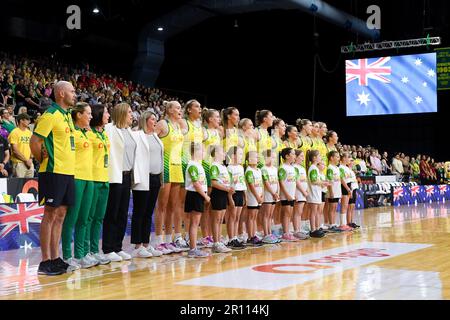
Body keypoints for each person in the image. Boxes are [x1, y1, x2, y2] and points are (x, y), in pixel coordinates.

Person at [30, 81, 77, 276]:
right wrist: (42, 160)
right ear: (60, 93)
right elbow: (35, 141)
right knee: (50, 214)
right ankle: (45, 262)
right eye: (72, 91)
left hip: (68, 172)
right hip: (53, 172)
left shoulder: (67, 116)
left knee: (61, 215)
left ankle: (56, 258)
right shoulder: (50, 115)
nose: (75, 94)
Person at [102, 102, 143, 262]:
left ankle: (118, 247)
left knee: (122, 213)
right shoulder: (110, 129)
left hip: (127, 176)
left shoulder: (129, 132)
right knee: (112, 212)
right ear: (121, 113)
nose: (132, 115)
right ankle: (108, 248)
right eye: (130, 112)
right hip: (115, 175)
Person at [61, 102, 96, 269]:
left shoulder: (88, 133)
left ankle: (81, 255)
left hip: (90, 178)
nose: (90, 116)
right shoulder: (72, 132)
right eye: (88, 113)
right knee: (71, 218)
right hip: (76, 178)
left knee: (84, 219)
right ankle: (67, 255)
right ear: (79, 115)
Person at [152, 101, 185, 254]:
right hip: (165, 168)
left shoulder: (178, 125)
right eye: (177, 108)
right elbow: (149, 139)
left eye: (180, 108)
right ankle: (159, 240)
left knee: (174, 206)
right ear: (169, 110)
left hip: (177, 168)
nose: (180, 110)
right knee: (162, 205)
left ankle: (170, 239)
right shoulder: (162, 124)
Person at [131, 111, 164, 258]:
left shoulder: (156, 136)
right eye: (152, 119)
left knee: (149, 212)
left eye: (155, 119)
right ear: (145, 120)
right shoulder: (138, 135)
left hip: (156, 178)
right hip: (144, 178)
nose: (155, 121)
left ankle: (146, 243)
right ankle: (137, 245)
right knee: (140, 212)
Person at [85, 104, 113, 265]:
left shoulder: (104, 134)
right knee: (89, 217)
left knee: (99, 217)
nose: (108, 115)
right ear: (98, 114)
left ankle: (95, 250)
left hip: (104, 178)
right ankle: (87, 251)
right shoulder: (89, 133)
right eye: (106, 112)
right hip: (92, 178)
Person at [176, 99, 204, 251]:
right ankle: (178, 236)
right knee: (181, 203)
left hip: (196, 165)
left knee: (191, 206)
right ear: (188, 110)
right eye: (196, 106)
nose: (200, 109)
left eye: (200, 106)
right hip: (183, 164)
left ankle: (189, 236)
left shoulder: (199, 126)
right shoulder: (182, 123)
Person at [199, 108, 221, 248]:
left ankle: (213, 235)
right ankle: (205, 235)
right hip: (206, 167)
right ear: (210, 119)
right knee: (206, 204)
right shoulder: (204, 132)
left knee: (213, 204)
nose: (219, 119)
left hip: (215, 168)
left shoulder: (217, 133)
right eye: (217, 117)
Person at [184, 142, 211, 258]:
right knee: (194, 223)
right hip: (194, 195)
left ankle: (193, 247)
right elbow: (196, 183)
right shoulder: (192, 165)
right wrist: (205, 196)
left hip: (198, 195)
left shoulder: (198, 165)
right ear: (197, 152)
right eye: (203, 151)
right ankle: (193, 248)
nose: (204, 153)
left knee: (195, 223)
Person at [209, 145, 233, 253]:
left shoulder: (223, 167)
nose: (225, 154)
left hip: (224, 194)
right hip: (217, 194)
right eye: (223, 152)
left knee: (220, 219)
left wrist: (228, 191)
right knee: (216, 219)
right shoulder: (214, 166)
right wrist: (227, 189)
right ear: (217, 153)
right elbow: (214, 183)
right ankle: (216, 242)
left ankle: (219, 241)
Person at [226, 146, 247, 249]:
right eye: (239, 154)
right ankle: (231, 238)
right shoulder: (229, 168)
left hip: (240, 193)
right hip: (233, 193)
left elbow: (242, 182)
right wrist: (229, 196)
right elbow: (228, 184)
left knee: (237, 217)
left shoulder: (241, 167)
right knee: (232, 216)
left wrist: (245, 195)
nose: (241, 156)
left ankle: (235, 237)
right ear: (233, 156)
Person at [260, 149, 281, 244]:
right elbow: (266, 183)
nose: (273, 159)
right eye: (271, 157)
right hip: (268, 195)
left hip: (274, 195)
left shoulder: (274, 169)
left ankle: (269, 233)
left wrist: (278, 193)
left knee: (270, 215)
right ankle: (266, 234)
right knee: (266, 215)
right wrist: (273, 193)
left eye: (274, 157)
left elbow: (277, 181)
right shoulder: (264, 169)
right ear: (266, 158)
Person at [306, 150, 327, 238]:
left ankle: (316, 228)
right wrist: (323, 183)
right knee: (313, 212)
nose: (320, 157)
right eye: (319, 156)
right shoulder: (313, 168)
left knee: (316, 211)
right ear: (314, 158)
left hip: (317, 192)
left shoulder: (315, 168)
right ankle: (313, 229)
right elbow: (314, 180)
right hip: (313, 193)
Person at [245, 150, 263, 246]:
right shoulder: (249, 171)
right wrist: (257, 197)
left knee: (255, 217)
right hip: (252, 196)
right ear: (249, 159)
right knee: (251, 217)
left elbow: (261, 184)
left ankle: (254, 234)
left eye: (257, 157)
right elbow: (251, 186)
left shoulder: (258, 170)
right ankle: (250, 236)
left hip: (259, 196)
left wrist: (262, 195)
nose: (257, 158)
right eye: (255, 157)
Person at [8, 113, 33, 178]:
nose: (29, 121)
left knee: (29, 185)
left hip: (29, 162)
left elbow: (32, 147)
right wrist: (26, 160)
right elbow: (15, 150)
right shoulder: (14, 132)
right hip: (19, 163)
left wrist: (30, 158)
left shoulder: (30, 133)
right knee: (18, 186)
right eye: (27, 119)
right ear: (21, 120)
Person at [292, 149, 309, 239]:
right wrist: (303, 191)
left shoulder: (302, 168)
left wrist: (307, 190)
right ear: (296, 157)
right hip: (299, 192)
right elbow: (297, 182)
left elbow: (304, 181)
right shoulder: (294, 167)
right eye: (301, 156)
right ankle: (296, 230)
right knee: (297, 212)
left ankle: (299, 229)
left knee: (300, 212)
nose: (303, 158)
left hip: (303, 192)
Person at [325, 151, 344, 233]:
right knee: (331, 208)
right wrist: (331, 192)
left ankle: (333, 223)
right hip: (332, 192)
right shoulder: (330, 168)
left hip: (337, 191)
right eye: (336, 157)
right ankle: (331, 224)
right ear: (331, 158)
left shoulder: (337, 168)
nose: (338, 158)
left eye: (338, 157)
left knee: (335, 208)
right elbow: (329, 181)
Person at [339, 153, 354, 231]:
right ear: (344, 158)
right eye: (348, 157)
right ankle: (342, 224)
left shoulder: (346, 168)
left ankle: (344, 223)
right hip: (344, 187)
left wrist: (350, 189)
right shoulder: (341, 167)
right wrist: (347, 189)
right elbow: (342, 179)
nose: (349, 159)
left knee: (346, 206)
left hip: (348, 187)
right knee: (344, 206)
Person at [346, 158, 360, 229]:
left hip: (354, 189)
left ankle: (351, 221)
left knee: (352, 207)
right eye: (351, 160)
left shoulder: (352, 171)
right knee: (349, 207)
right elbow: (349, 182)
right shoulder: (347, 170)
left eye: (352, 160)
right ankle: (348, 222)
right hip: (351, 190)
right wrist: (350, 191)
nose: (352, 162)